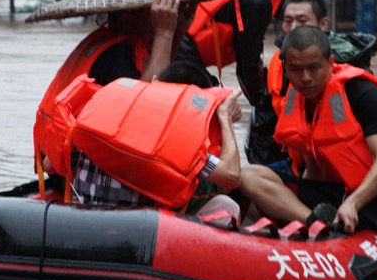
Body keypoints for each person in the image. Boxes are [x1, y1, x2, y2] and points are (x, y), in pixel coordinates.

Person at [239, 27, 377, 280]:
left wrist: (354, 203)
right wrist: (309, 204)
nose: (305, 78)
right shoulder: (296, 99)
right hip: (337, 193)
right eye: (295, 69)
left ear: (330, 64)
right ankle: (315, 222)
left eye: (313, 68)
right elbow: (314, 161)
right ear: (285, 67)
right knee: (249, 176)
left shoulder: (362, 93)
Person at [27, 0, 219, 184]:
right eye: (150, 12)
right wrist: (165, 32)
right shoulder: (115, 53)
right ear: (129, 18)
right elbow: (147, 101)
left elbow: (160, 77)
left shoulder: (117, 44)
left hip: (67, 160)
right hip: (75, 171)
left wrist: (178, 30)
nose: (154, 18)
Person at [67, 66, 244, 225]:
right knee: (227, 206)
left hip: (78, 220)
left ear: (155, 82)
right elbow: (231, 175)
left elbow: (50, 165)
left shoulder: (104, 105)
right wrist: (225, 118)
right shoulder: (181, 140)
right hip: (135, 234)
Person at [246, 0, 377, 168]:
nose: (293, 28)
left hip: (347, 165)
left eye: (302, 21)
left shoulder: (356, 80)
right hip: (297, 161)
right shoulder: (278, 67)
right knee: (248, 178)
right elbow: (264, 127)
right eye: (288, 21)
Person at [177, 0, 312, 105]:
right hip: (178, 45)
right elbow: (248, 63)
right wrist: (266, 103)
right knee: (208, 105)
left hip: (175, 43)